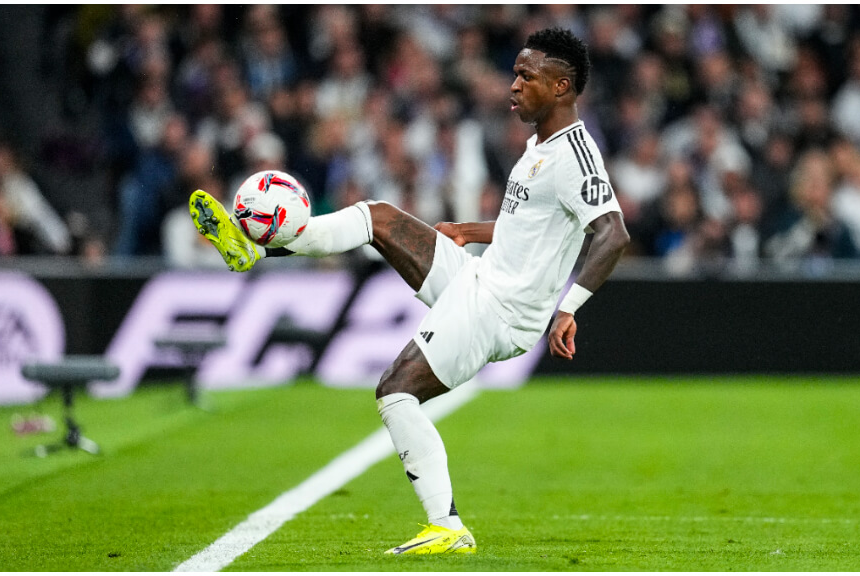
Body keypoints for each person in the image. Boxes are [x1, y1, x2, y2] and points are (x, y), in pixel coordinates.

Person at [189, 28, 629, 555]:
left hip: (500, 308)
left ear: (561, 87)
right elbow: (531, 227)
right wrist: (468, 231)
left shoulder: (576, 156)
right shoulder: (541, 146)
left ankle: (447, 526)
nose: (512, 85)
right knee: (377, 217)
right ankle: (256, 250)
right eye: (514, 73)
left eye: (525, 76)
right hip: (479, 278)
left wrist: (569, 308)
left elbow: (612, 232)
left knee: (396, 390)